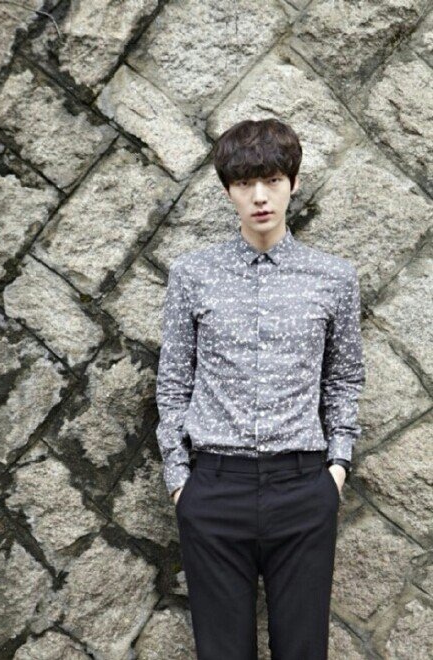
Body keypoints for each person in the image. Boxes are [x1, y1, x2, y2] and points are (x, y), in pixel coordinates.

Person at [155, 118, 366, 660]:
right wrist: (180, 481)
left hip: (303, 488)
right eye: (245, 183)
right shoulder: (193, 275)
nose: (260, 197)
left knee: (303, 651)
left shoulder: (334, 278)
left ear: (293, 183)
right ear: (228, 190)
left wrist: (337, 468)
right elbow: (174, 380)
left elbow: (343, 378)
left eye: (271, 180)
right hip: (213, 490)